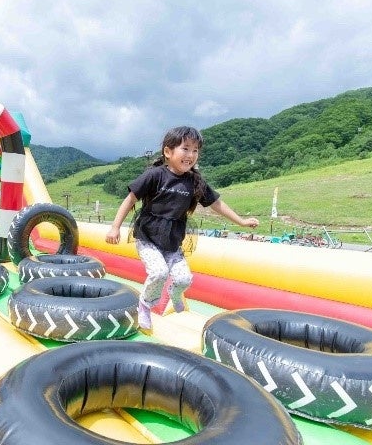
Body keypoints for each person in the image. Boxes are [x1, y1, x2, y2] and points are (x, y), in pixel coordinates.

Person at [105, 126, 259, 331]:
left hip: (172, 241)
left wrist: (240, 221)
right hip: (148, 237)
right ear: (168, 152)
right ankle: (145, 305)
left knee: (184, 278)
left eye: (195, 150)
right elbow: (130, 199)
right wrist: (115, 228)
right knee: (159, 272)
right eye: (185, 149)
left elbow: (216, 204)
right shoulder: (155, 175)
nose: (191, 155)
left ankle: (175, 294)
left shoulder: (194, 181)